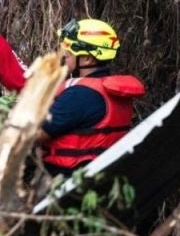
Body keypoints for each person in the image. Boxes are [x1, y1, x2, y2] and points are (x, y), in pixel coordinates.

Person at [39, 18, 146, 177]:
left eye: (69, 51)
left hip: (68, 184)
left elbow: (35, 134)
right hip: (103, 177)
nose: (64, 55)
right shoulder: (111, 92)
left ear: (88, 58)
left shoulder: (80, 95)